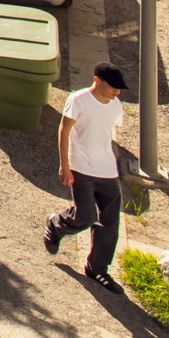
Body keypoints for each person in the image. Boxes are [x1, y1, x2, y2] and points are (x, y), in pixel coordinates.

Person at [44, 62, 130, 291]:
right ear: (97, 80)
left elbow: (104, 133)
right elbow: (64, 129)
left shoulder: (115, 105)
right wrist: (65, 165)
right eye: (113, 87)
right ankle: (56, 224)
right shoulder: (79, 100)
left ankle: (97, 268)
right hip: (81, 167)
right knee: (85, 216)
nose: (117, 92)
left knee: (110, 222)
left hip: (107, 170)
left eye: (118, 89)